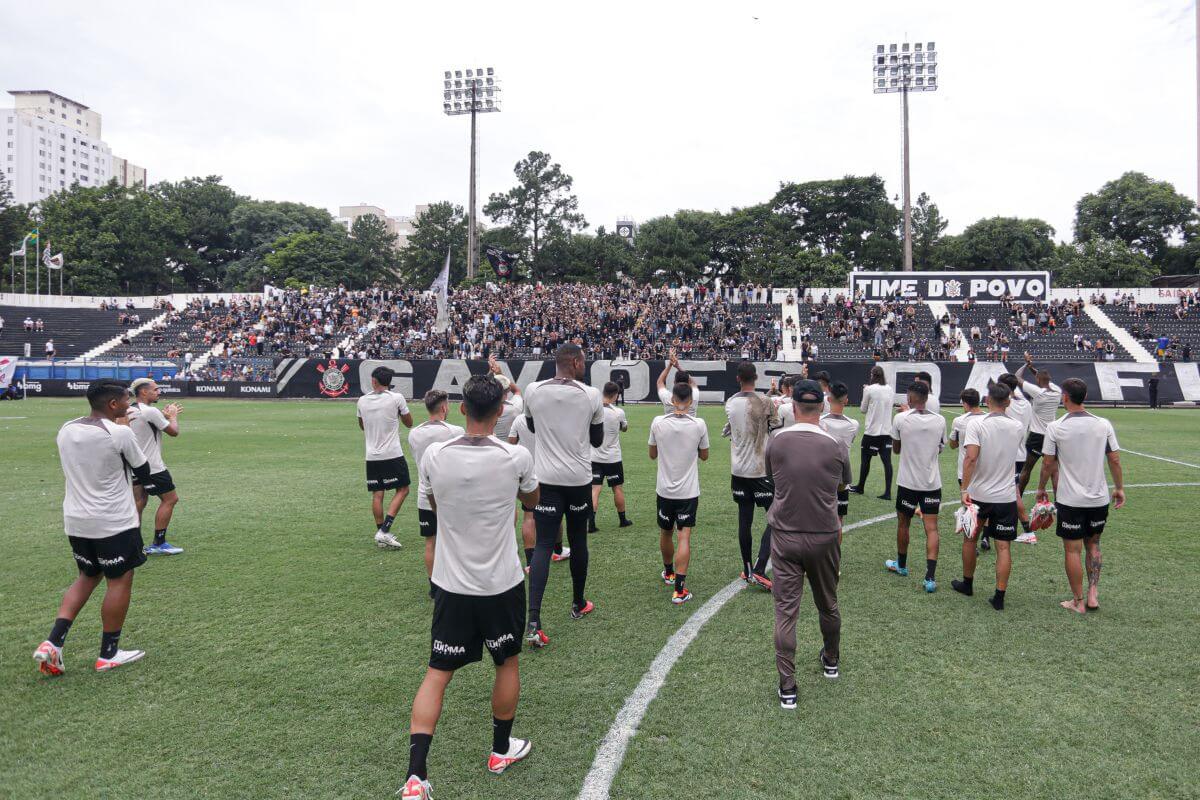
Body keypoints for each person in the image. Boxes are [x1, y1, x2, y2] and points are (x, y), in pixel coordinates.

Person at [400, 375, 540, 800]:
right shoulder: (516, 456)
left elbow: (436, 506)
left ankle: (415, 777)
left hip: (451, 584)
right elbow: (530, 503)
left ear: (462, 409)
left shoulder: (435, 456)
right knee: (507, 664)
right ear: (501, 413)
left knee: (437, 673)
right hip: (500, 583)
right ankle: (500, 750)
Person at [34, 380, 153, 676]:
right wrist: (124, 427)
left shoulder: (68, 428)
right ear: (113, 404)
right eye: (126, 400)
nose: (130, 405)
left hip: (76, 519)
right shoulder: (119, 432)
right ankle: (108, 654)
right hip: (113, 520)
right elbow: (143, 469)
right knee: (120, 578)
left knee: (87, 576)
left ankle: (53, 642)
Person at [766, 379, 850, 709]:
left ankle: (788, 686)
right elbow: (843, 484)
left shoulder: (777, 441)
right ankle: (831, 659)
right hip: (824, 535)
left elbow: (772, 477)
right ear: (823, 406)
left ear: (794, 406)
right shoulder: (836, 445)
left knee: (786, 613)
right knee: (828, 603)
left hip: (786, 535)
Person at [522, 342, 604, 647]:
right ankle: (578, 602)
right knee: (578, 540)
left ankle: (533, 619)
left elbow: (532, 426)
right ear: (573, 362)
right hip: (578, 479)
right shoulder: (590, 394)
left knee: (544, 546)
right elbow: (596, 440)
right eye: (583, 361)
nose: (585, 365)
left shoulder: (533, 390)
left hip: (546, 479)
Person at [1037, 378, 1125, 614]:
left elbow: (1048, 463)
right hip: (1098, 498)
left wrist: (1041, 488)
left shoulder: (1055, 427)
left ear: (1064, 397)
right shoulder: (1103, 424)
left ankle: (1078, 601)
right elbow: (1114, 458)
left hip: (1070, 500)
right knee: (1094, 544)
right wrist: (1119, 487)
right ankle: (1093, 594)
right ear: (1084, 397)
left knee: (1072, 550)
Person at [952, 383, 1026, 611]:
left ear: (987, 399)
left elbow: (970, 458)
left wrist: (964, 489)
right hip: (1005, 496)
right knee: (1003, 547)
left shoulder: (977, 424)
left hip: (979, 493)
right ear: (1008, 402)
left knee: (970, 539)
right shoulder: (1017, 426)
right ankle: (999, 596)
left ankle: (967, 584)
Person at [649, 382, 710, 604]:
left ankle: (669, 573)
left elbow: (652, 454)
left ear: (672, 400)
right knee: (684, 535)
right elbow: (704, 456)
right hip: (688, 492)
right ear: (691, 402)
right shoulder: (699, 424)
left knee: (666, 532)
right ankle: (679, 590)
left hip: (664, 490)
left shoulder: (658, 422)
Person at [722, 361, 780, 588]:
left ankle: (747, 570)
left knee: (744, 520)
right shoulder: (765, 402)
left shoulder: (730, 402)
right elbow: (775, 426)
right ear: (756, 377)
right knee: (777, 517)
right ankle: (759, 568)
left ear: (738, 379)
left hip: (738, 471)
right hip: (760, 470)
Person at [887, 381, 945, 593]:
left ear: (909, 400)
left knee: (904, 524)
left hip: (908, 482)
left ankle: (901, 565)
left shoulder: (900, 418)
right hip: (931, 483)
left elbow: (896, 449)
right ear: (927, 398)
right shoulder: (939, 420)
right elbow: (939, 448)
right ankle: (930, 578)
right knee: (932, 528)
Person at [406, 390, 465, 589]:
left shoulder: (414, 433)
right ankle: (454, 581)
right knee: (453, 541)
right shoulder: (455, 431)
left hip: (424, 495)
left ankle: (434, 586)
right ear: (444, 407)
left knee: (430, 542)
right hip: (450, 497)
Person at [356, 366, 414, 548]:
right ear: (389, 382)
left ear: (374, 381)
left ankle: (381, 533)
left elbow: (362, 425)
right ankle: (384, 531)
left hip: (371, 455)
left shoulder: (362, 401)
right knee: (403, 489)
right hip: (392, 453)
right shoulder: (396, 398)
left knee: (377, 494)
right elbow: (409, 423)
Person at [126, 378, 184, 556]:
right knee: (170, 499)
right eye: (156, 389)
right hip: (152, 466)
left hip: (134, 464)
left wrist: (163, 417)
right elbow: (173, 432)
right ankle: (159, 543)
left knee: (139, 503)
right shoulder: (150, 411)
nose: (159, 392)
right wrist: (173, 416)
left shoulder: (129, 410)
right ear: (144, 392)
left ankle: (132, 545)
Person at [509, 414, 568, 570]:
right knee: (556, 512)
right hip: (549, 471)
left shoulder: (519, 419)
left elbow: (512, 442)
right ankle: (558, 550)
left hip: (527, 470)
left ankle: (530, 563)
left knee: (529, 516)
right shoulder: (551, 417)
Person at [996, 373, 1036, 542]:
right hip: (1020, 452)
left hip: (1006, 453)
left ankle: (1028, 531)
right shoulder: (1026, 403)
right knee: (1007, 490)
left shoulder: (1005, 404)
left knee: (1013, 492)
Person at [1015, 353, 1061, 495]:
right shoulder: (1057, 390)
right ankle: (1059, 500)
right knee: (1054, 470)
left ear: (1037, 380)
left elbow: (1016, 377)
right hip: (1053, 435)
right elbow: (1041, 377)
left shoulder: (1038, 392)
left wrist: (1025, 365)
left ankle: (1018, 499)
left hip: (1037, 436)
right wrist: (1032, 367)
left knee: (1026, 469)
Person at [590, 381, 633, 532]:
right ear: (616, 395)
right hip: (613, 458)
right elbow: (625, 428)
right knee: (617, 489)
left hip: (594, 456)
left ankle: (591, 524)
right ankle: (623, 520)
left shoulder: (593, 410)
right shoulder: (618, 412)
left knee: (595, 490)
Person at [819, 382, 859, 544]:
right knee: (838, 522)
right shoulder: (853, 424)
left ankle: (814, 565)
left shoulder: (819, 422)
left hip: (820, 477)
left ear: (828, 399)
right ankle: (833, 566)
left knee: (818, 521)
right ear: (846, 401)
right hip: (841, 477)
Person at [851, 365, 896, 500]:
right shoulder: (889, 389)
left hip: (872, 431)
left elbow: (863, 409)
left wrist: (866, 391)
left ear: (872, 375)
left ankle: (860, 487)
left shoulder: (869, 389)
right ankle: (887, 492)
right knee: (887, 462)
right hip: (887, 432)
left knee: (866, 460)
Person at [656, 349, 697, 416]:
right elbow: (693, 382)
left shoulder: (667, 397)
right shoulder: (694, 395)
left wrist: (670, 364)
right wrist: (678, 366)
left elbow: (660, 382)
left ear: (674, 382)